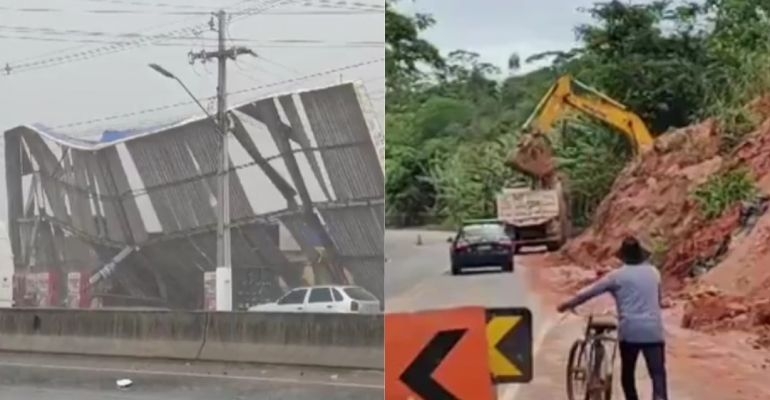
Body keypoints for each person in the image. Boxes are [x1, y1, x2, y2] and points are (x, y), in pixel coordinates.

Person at [557, 236, 668, 400]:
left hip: (630, 332)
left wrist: (567, 304)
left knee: (628, 374)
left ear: (623, 257)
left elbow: (589, 292)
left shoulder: (617, 276)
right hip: (654, 331)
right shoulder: (654, 273)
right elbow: (658, 301)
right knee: (658, 375)